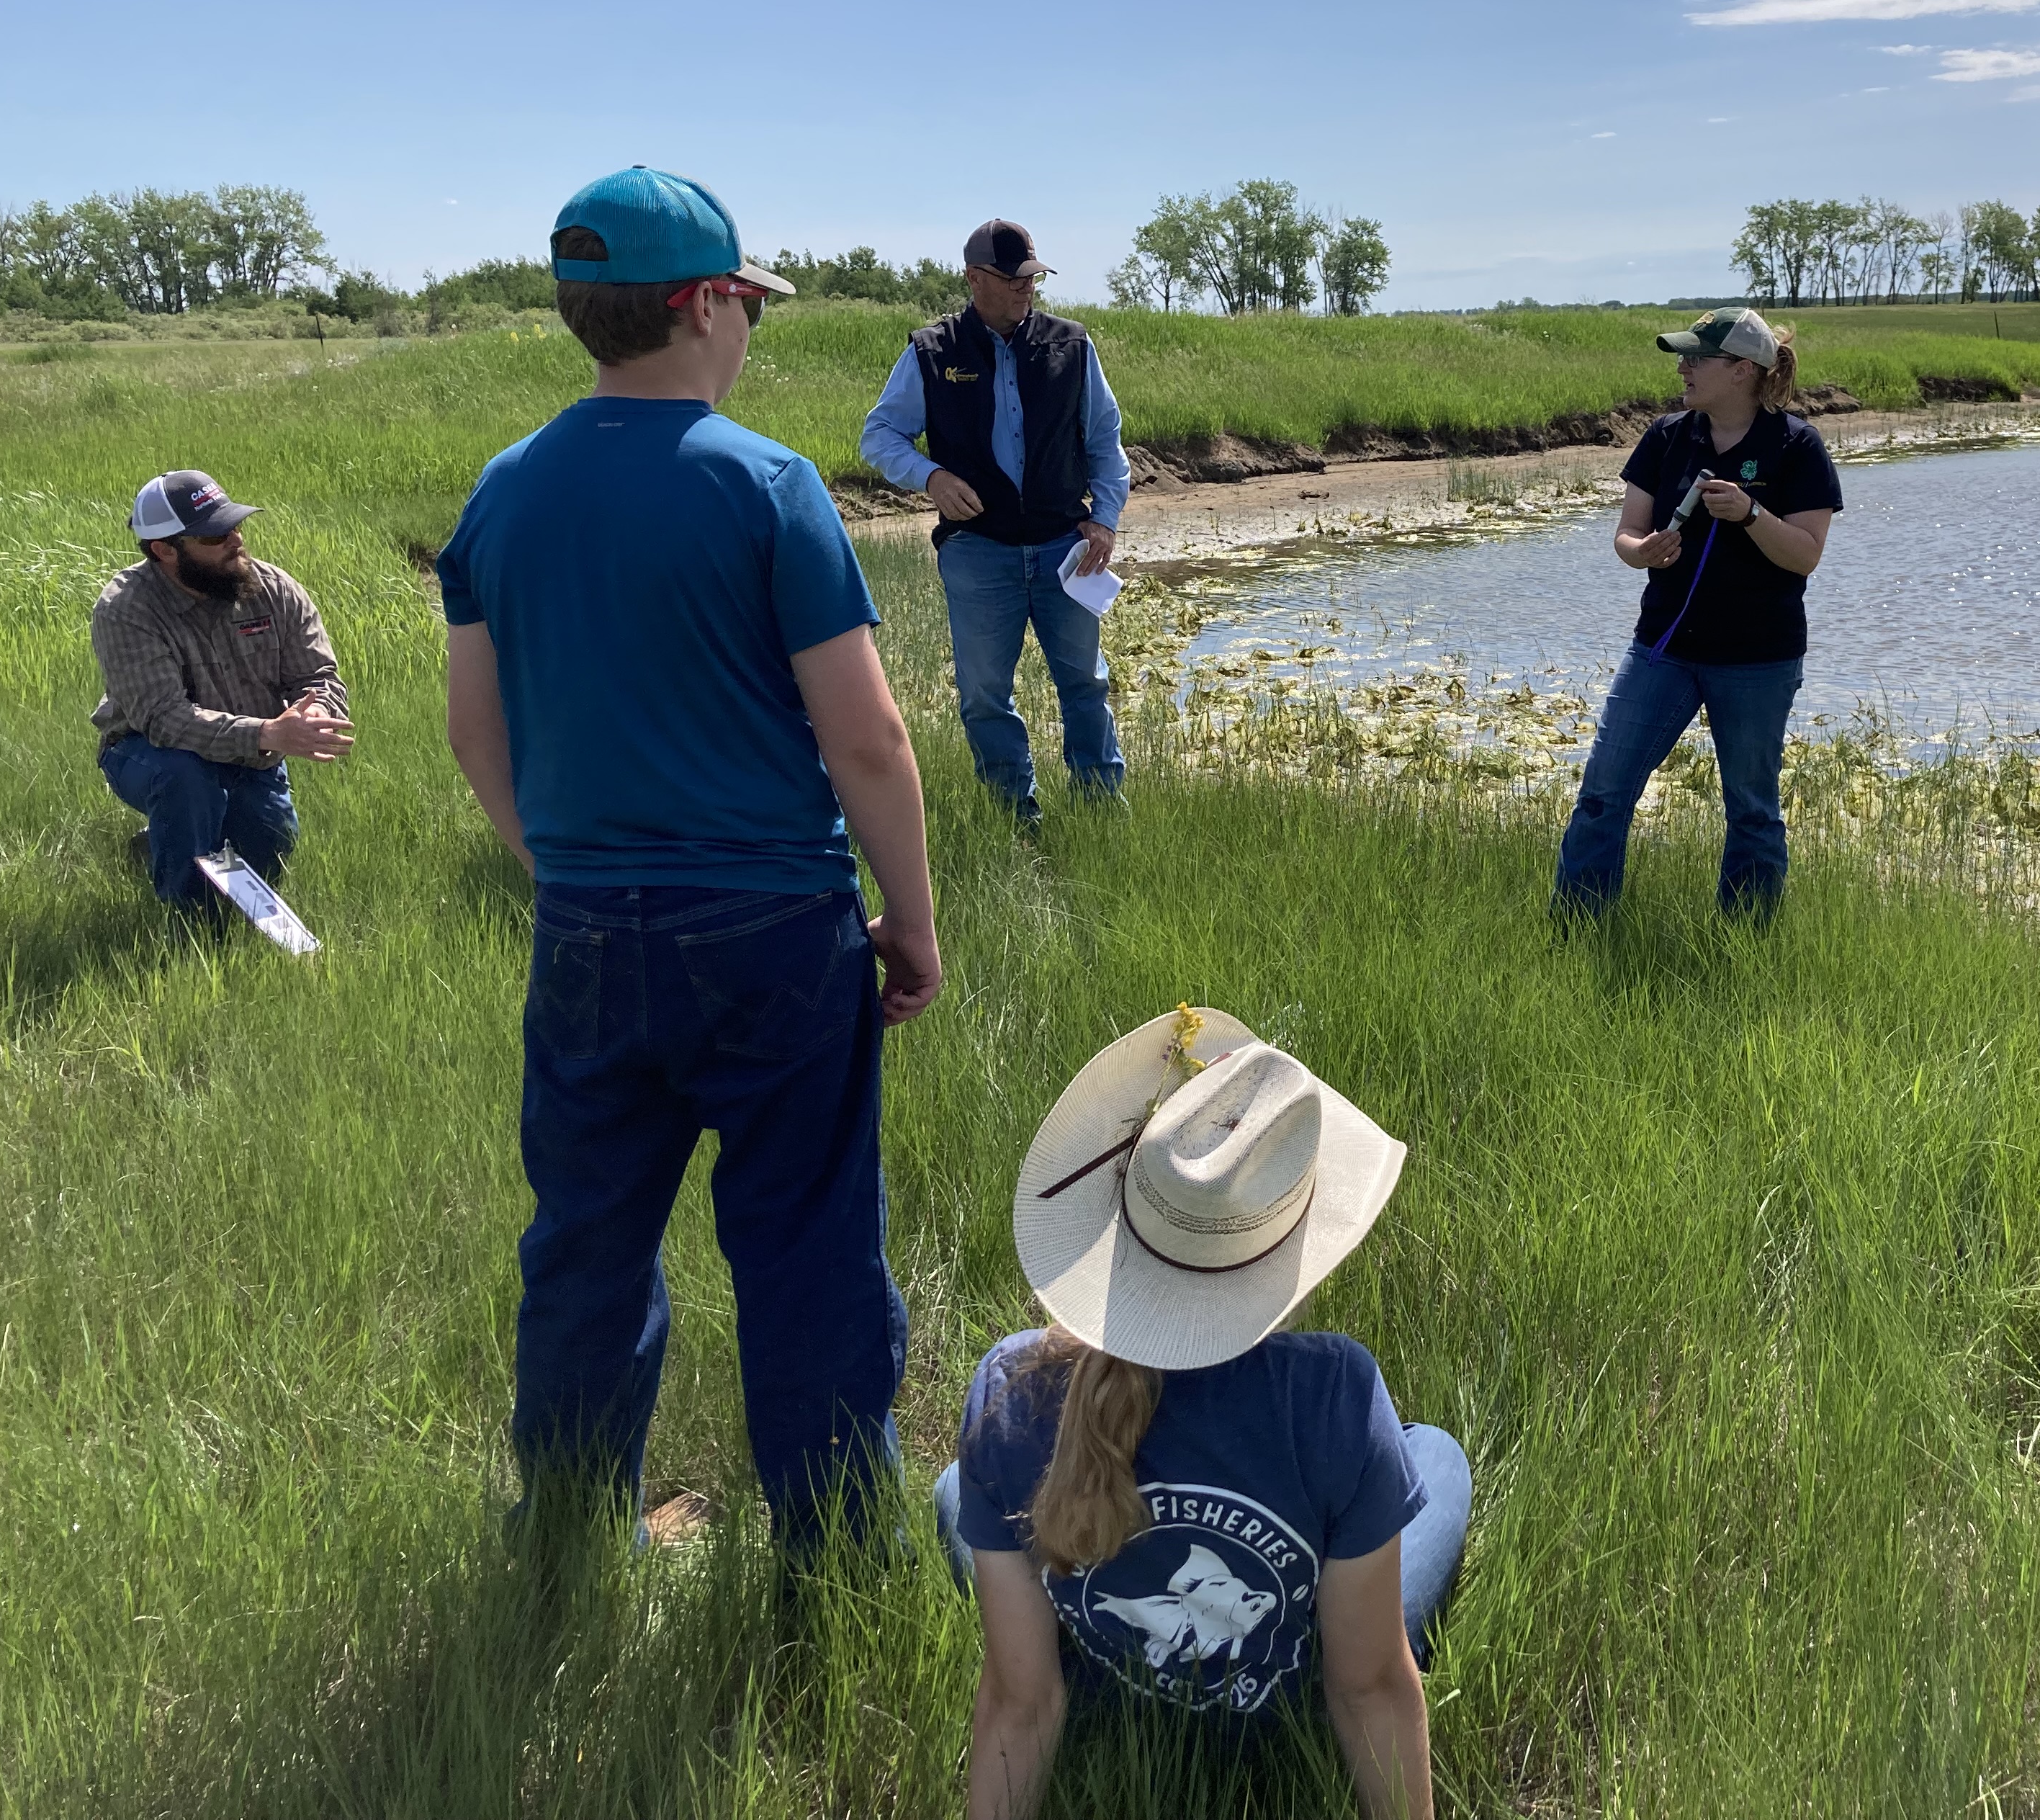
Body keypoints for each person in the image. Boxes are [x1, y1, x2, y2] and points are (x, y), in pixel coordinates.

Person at [438, 166, 944, 1559]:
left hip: (591, 929)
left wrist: (567, 871)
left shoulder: (503, 493)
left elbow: (474, 732)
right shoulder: (766, 484)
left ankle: (570, 1529)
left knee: (586, 1243)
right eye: (748, 304)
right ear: (702, 301)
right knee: (806, 1249)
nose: (747, 328)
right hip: (777, 929)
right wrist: (911, 917)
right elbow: (869, 741)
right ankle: (836, 1559)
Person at [938, 1007, 1465, 1820]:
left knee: (954, 1492)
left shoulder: (1010, 1390)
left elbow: (1018, 1701)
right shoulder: (1335, 1394)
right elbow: (1366, 1687)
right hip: (1288, 1703)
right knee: (1434, 1455)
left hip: (1109, 1693)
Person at [1553, 308, 1842, 918]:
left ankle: (1747, 939)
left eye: (1695, 358)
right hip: (1663, 649)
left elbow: (1806, 557)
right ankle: (1576, 927)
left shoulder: (1797, 446)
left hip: (1758, 659)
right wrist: (1643, 552)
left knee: (1753, 809)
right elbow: (1628, 535)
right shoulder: (1666, 436)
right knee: (1604, 791)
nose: (1682, 368)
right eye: (1681, 357)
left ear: (1741, 370)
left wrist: (1751, 515)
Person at [858, 220, 1131, 824]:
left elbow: (1106, 441)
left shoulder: (1072, 346)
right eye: (1013, 280)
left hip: (1067, 546)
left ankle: (1103, 815)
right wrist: (931, 477)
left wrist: (1105, 520)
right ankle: (1017, 819)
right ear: (974, 279)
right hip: (978, 553)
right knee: (984, 697)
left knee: (1086, 686)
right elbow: (878, 435)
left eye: (1032, 278)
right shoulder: (933, 352)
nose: (1025, 290)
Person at [90, 470, 355, 913]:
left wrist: (314, 714)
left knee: (268, 852)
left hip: (252, 752)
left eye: (235, 526)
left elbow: (319, 675)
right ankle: (187, 923)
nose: (235, 541)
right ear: (164, 551)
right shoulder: (125, 610)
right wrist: (266, 734)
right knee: (188, 783)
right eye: (214, 536)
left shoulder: (273, 590)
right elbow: (163, 718)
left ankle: (164, 843)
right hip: (145, 750)